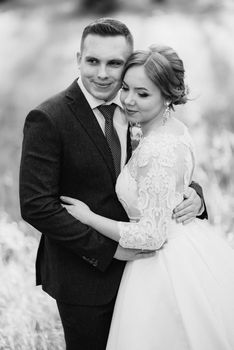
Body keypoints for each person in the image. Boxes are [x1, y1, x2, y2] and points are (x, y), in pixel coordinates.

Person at [19, 18, 207, 350]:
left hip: (148, 273)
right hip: (84, 276)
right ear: (79, 58)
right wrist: (109, 250)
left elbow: (160, 168)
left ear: (128, 65)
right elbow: (37, 206)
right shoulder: (48, 118)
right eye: (93, 61)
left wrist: (197, 195)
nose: (103, 73)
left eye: (114, 63)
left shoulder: (136, 108)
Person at [61, 45, 234, 350]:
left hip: (160, 265)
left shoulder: (159, 146)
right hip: (184, 245)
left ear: (168, 95)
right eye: (126, 88)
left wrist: (89, 218)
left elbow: (152, 235)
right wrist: (191, 193)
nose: (128, 99)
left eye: (142, 94)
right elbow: (169, 183)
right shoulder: (169, 127)